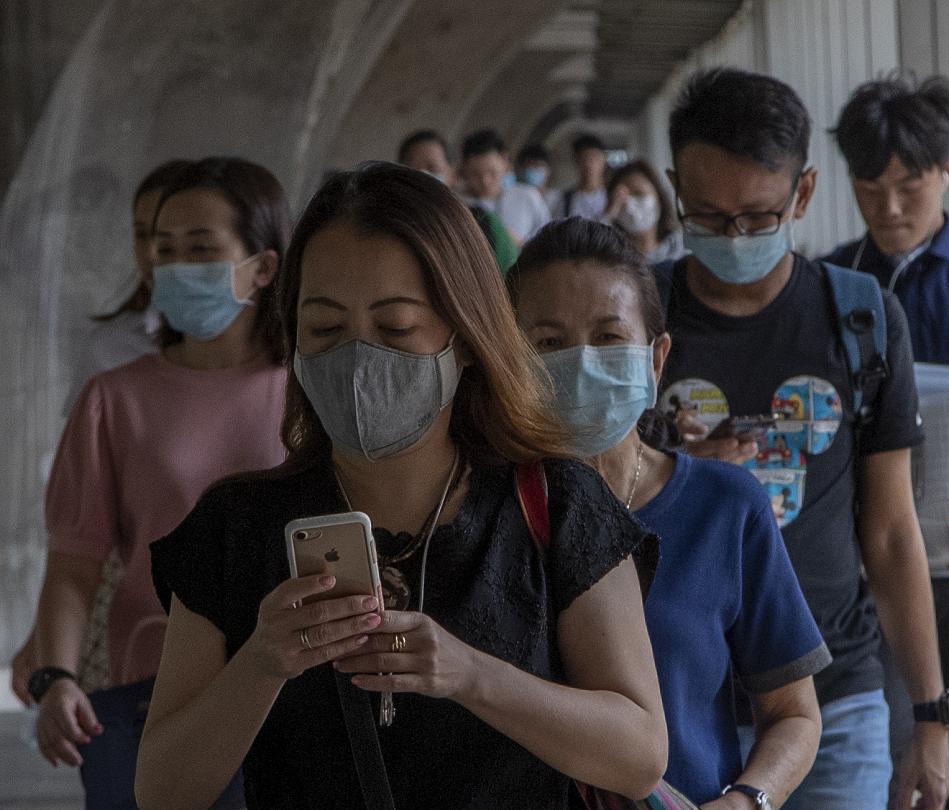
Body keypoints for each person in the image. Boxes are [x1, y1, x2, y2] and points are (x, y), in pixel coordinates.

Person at [136, 162, 667, 809]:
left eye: (395, 329)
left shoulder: (556, 503)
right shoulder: (236, 525)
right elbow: (162, 789)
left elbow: (640, 755)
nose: (358, 360)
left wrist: (471, 675)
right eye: (326, 329)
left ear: (466, 338)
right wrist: (262, 662)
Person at [656, 67, 949, 810]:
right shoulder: (628, 316)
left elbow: (889, 535)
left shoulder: (860, 319)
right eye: (709, 216)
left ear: (805, 194)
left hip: (834, 696)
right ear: (674, 192)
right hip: (669, 699)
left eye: (758, 217)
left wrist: (929, 712)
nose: (733, 237)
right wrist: (667, 471)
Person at [510, 216, 826, 806]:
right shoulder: (485, 510)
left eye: (608, 337)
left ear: (656, 360)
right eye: (548, 343)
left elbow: (794, 713)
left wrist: (746, 799)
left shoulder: (724, 507)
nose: (580, 363)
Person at [29, 156, 291, 807]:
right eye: (163, 249)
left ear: (264, 265)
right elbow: (74, 561)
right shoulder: (113, 400)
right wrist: (55, 676)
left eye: (201, 250)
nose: (175, 267)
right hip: (145, 690)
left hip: (289, 693)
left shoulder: (312, 396)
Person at [825, 72, 949, 809]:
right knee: (878, 759)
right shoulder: (834, 283)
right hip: (867, 575)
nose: (889, 206)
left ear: (947, 170)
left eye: (909, 184)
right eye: (869, 186)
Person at [10, 159, 194, 708]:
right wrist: (46, 647)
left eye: (189, 241)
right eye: (145, 235)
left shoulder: (275, 367)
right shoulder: (110, 353)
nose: (156, 253)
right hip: (126, 594)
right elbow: (82, 511)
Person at [397, 129, 518, 270]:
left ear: (452, 174)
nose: (422, 175)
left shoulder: (484, 226)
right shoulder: (383, 226)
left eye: (433, 168)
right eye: (411, 168)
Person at [458, 128, 553, 243]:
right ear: (464, 169)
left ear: (504, 161)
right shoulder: (458, 202)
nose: (485, 181)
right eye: (475, 174)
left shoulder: (527, 196)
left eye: (492, 172)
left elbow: (549, 241)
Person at [603, 160, 685, 264]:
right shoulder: (611, 256)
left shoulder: (682, 248)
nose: (629, 204)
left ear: (659, 199)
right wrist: (607, 216)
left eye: (638, 194)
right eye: (621, 198)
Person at [557, 133, 610, 220]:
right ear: (576, 162)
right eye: (583, 159)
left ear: (604, 160)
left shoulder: (611, 196)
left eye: (594, 158)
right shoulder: (566, 200)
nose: (589, 165)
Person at [517, 143, 563, 215]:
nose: (534, 169)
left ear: (548, 170)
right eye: (530, 165)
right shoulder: (516, 197)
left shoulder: (558, 199)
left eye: (538, 165)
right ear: (521, 169)